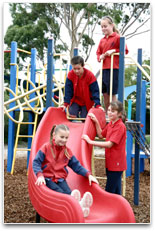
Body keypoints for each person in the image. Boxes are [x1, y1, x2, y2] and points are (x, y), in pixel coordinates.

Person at [33, 124, 99, 217]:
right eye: (62, 137)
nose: (64, 140)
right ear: (54, 135)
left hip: (60, 179)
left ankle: (80, 206)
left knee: (69, 193)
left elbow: (76, 166)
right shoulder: (46, 148)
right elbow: (36, 162)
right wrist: (40, 175)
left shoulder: (67, 152)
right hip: (47, 179)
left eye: (66, 138)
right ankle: (78, 207)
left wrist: (88, 175)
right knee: (60, 193)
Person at [82, 100, 127, 195]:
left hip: (117, 164)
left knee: (109, 190)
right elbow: (101, 135)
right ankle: (118, 208)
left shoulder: (120, 126)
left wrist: (90, 142)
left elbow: (109, 144)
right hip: (110, 162)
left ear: (119, 114)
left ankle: (112, 208)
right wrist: (96, 122)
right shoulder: (111, 124)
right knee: (115, 191)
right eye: (109, 110)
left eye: (113, 111)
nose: (109, 112)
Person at [96, 16, 129, 113]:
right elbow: (98, 53)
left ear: (112, 25)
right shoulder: (102, 40)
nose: (103, 28)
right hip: (104, 69)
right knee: (105, 93)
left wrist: (114, 50)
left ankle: (116, 113)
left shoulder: (118, 37)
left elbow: (125, 50)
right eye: (102, 27)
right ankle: (108, 113)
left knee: (112, 93)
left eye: (105, 26)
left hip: (114, 68)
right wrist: (100, 57)